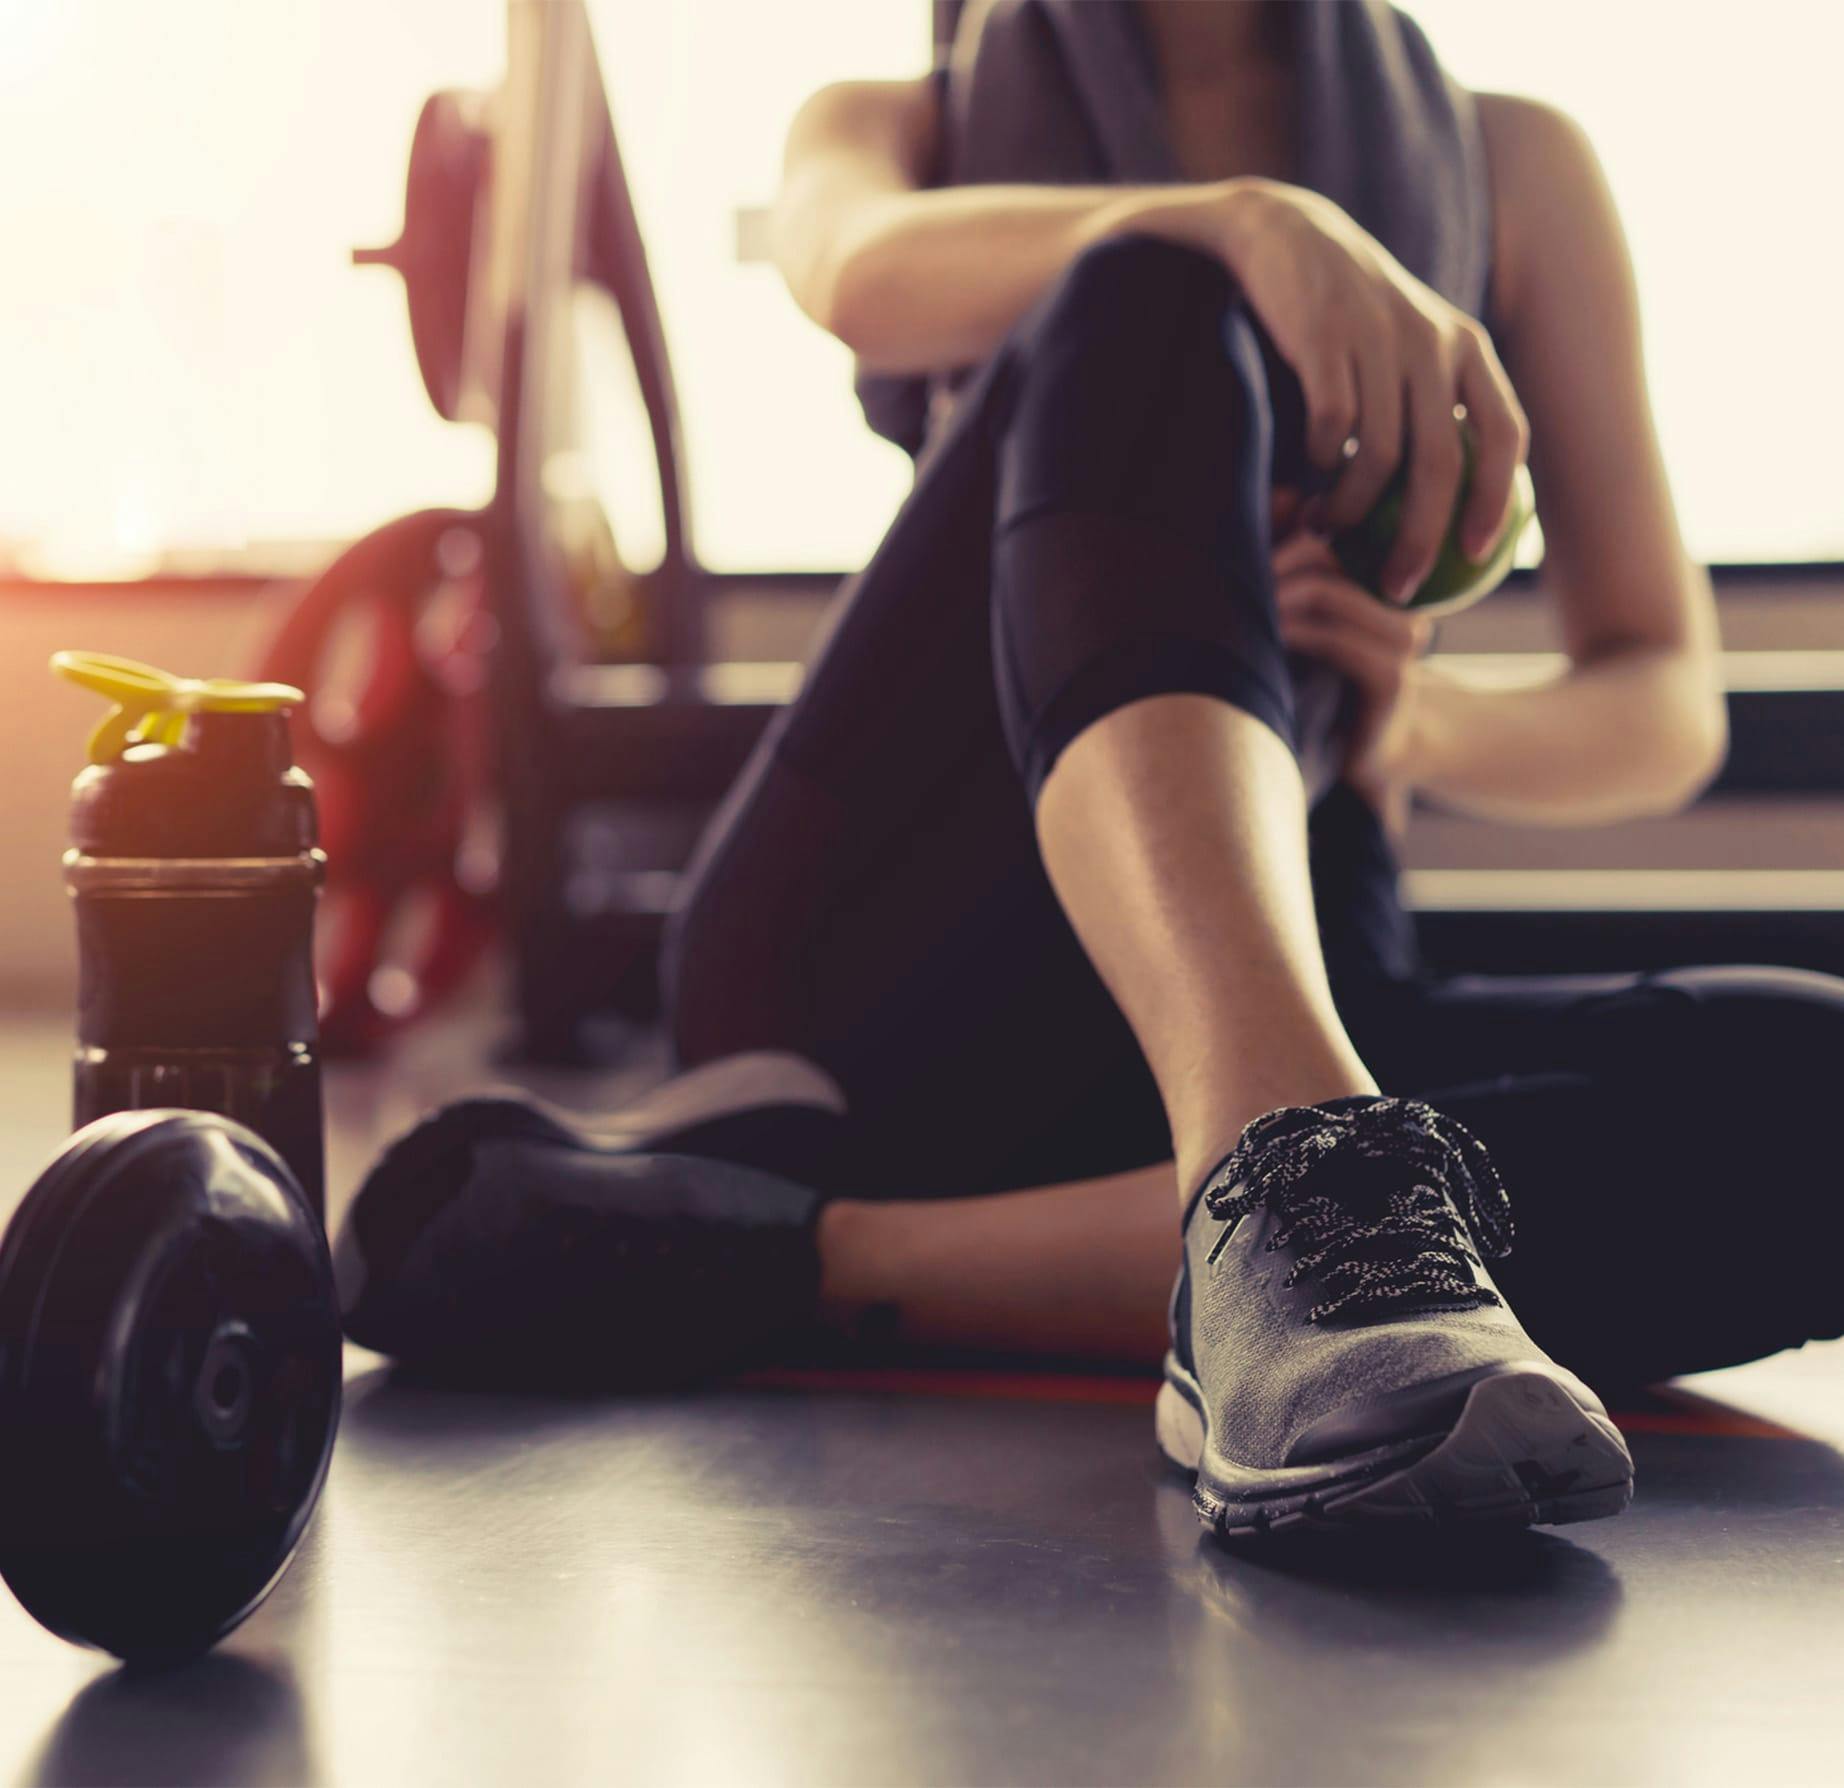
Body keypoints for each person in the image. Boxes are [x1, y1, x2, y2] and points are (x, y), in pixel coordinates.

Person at [336, 1, 1844, 1537]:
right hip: (902, 948)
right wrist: (1244, 225)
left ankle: (812, 1254)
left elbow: (1664, 701)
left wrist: (1415, 726)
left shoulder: (1517, 164)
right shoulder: (890, 123)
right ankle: (1290, 1191)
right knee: (1153, 288)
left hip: (1302, 942)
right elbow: (851, 270)